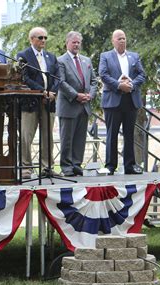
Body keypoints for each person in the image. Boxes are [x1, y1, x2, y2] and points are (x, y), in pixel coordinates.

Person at [99, 29, 146, 175]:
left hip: (131, 100)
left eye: (124, 38)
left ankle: (129, 166)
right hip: (113, 100)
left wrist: (131, 85)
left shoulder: (134, 56)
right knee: (111, 134)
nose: (122, 41)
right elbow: (103, 75)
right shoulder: (105, 56)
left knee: (129, 134)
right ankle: (110, 166)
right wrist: (120, 85)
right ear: (113, 41)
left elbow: (142, 74)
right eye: (119, 38)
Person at [16, 27, 59, 179]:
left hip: (49, 101)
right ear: (31, 39)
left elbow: (56, 76)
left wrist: (52, 92)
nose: (43, 41)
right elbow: (25, 78)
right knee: (26, 136)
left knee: (48, 136)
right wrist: (42, 91)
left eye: (45, 38)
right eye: (40, 37)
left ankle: (47, 167)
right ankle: (26, 168)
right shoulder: (23, 56)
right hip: (30, 101)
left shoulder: (51, 56)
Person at [56, 31, 97, 177]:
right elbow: (60, 82)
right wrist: (75, 95)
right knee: (67, 138)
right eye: (74, 42)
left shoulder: (86, 60)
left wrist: (90, 95)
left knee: (80, 138)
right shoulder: (60, 60)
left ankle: (76, 164)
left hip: (84, 106)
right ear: (67, 43)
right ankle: (66, 167)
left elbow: (93, 81)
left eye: (78, 42)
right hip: (68, 105)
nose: (76, 44)